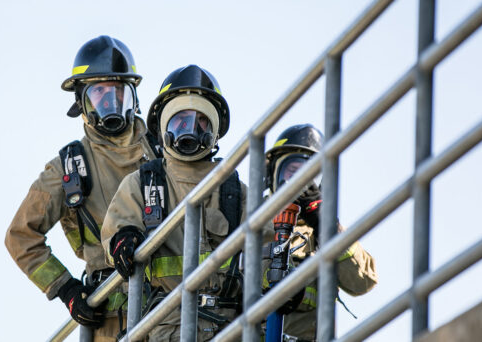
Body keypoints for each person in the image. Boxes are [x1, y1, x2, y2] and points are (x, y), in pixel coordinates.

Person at [4, 35, 159, 341]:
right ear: (81, 102)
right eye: (98, 93)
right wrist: (65, 288)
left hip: (174, 305)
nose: (110, 102)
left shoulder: (164, 148)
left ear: (134, 98)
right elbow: (20, 236)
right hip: (111, 319)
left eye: (118, 91)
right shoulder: (68, 168)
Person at [101, 65, 250, 341]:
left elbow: (262, 259)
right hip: (166, 327)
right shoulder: (142, 184)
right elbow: (115, 234)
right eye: (180, 121)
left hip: (229, 328)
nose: (189, 130)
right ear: (163, 127)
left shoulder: (237, 192)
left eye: (200, 121)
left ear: (215, 130)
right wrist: (124, 239)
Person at [264, 124, 378, 341]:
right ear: (273, 175)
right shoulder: (252, 225)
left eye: (309, 174)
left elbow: (363, 282)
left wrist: (326, 225)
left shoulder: (325, 231)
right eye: (291, 171)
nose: (298, 181)